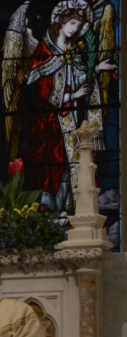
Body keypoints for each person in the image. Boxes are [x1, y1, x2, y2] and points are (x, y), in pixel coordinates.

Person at [25, 0, 117, 206]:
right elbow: (40, 95)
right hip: (49, 125)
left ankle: (74, 204)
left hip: (72, 119)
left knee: (73, 163)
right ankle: (52, 207)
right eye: (73, 24)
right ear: (61, 22)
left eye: (79, 26)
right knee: (53, 165)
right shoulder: (44, 53)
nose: (76, 30)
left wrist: (96, 70)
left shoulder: (74, 51)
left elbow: (80, 78)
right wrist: (73, 96)